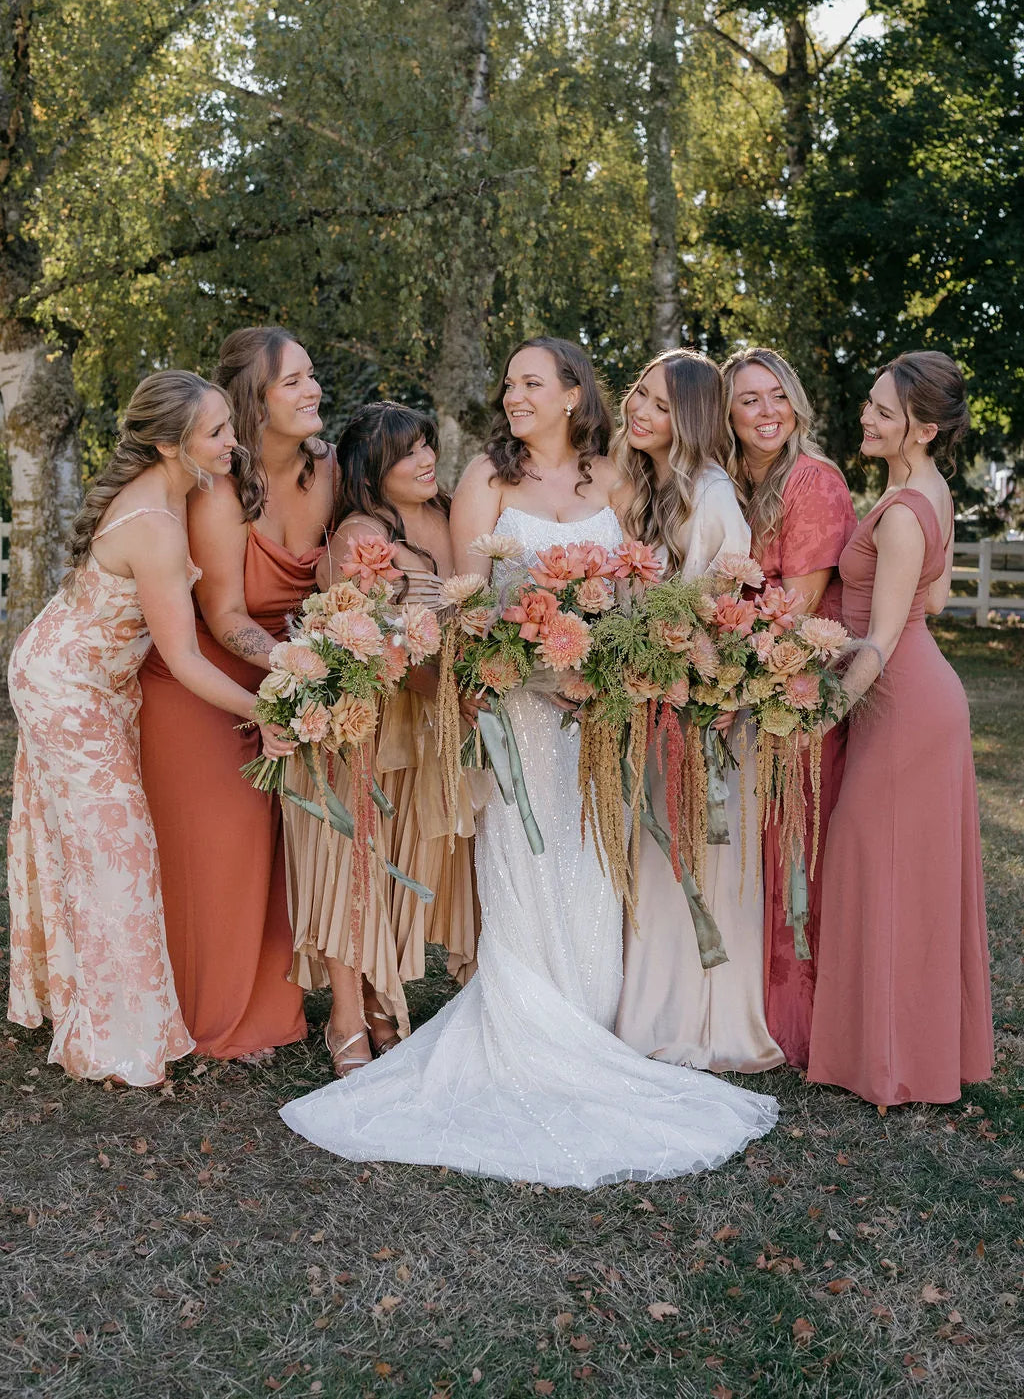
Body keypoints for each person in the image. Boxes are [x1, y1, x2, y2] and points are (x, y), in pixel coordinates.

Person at [279, 337, 777, 1187]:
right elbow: (468, 604)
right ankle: (523, 1022)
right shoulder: (486, 479)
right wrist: (525, 661)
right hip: (515, 708)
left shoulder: (614, 476)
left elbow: (636, 587)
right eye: (508, 382)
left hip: (595, 713)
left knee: (589, 864)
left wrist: (608, 662)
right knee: (524, 858)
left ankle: (589, 1019)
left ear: (574, 394)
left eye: (531, 383)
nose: (513, 395)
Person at [6, 370, 292, 1085]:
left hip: (98, 684)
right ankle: (114, 1040)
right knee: (119, 849)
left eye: (230, 425)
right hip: (63, 685)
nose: (233, 441)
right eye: (217, 431)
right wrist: (267, 710)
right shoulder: (158, 528)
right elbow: (186, 657)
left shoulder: (183, 490)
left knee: (103, 847)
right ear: (170, 443)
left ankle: (97, 1007)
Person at [139, 328, 335, 1061]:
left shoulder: (328, 471)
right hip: (201, 682)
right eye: (294, 382)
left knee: (281, 845)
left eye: (311, 376)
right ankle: (203, 1015)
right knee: (224, 845)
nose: (312, 390)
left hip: (285, 679)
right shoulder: (218, 490)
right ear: (257, 400)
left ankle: (268, 1008)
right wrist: (294, 672)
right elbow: (222, 619)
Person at [807, 351, 993, 1105]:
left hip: (904, 703)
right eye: (871, 405)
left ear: (919, 427)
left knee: (870, 861)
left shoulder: (907, 510)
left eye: (883, 411)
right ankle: (894, 1051)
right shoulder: (927, 491)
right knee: (900, 876)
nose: (867, 417)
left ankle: (889, 1061)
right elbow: (939, 599)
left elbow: (879, 643)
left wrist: (814, 716)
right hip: (926, 691)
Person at [285, 402, 482, 1076]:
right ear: (372, 468)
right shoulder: (359, 536)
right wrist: (448, 689)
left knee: (395, 868)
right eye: (408, 452)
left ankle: (379, 998)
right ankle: (346, 1012)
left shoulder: (447, 516)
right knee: (353, 865)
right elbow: (360, 649)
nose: (427, 458)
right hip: (363, 723)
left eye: (428, 443)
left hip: (425, 724)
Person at [614, 348, 784, 1074]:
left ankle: (708, 1024)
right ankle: (654, 1012)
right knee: (659, 857)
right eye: (637, 396)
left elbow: (727, 603)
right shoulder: (652, 488)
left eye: (656, 402)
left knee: (700, 859)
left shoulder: (711, 492)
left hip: (706, 708)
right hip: (656, 699)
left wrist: (695, 676)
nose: (637, 410)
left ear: (686, 415)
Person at [722, 347, 856, 1070]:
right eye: (750, 399)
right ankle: (756, 1010)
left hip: (800, 694)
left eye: (778, 395)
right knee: (761, 849)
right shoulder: (739, 482)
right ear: (729, 414)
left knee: (796, 850)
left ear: (796, 403)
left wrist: (717, 637)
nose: (767, 410)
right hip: (749, 691)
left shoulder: (815, 479)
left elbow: (797, 608)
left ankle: (800, 1022)